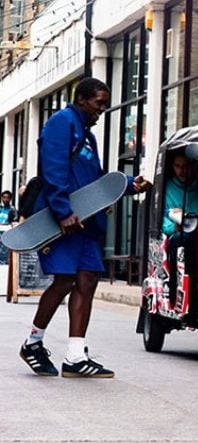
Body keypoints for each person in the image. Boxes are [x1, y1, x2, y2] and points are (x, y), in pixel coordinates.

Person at [19, 77, 150, 378]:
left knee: (88, 279)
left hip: (86, 223)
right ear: (81, 99)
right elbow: (53, 168)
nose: (101, 110)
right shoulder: (61, 123)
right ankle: (32, 342)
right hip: (64, 222)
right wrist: (63, 211)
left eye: (105, 104)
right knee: (65, 280)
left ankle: (76, 357)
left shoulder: (88, 137)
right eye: (98, 103)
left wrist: (130, 185)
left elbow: (96, 183)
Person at [162, 152, 198, 307]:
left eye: (185, 166)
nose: (181, 171)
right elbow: (162, 218)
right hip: (180, 235)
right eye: (177, 166)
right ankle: (175, 291)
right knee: (179, 241)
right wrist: (174, 226)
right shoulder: (167, 189)